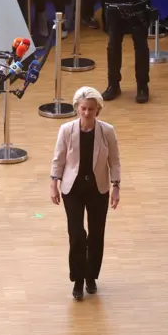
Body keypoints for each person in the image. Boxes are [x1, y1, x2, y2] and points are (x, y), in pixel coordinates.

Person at [50, 86, 121, 301]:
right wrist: (54, 183)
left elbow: (114, 161)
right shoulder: (66, 130)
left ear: (97, 110)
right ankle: (78, 279)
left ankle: (91, 277)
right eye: (83, 108)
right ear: (77, 109)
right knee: (77, 234)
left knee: (96, 234)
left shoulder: (107, 131)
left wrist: (116, 186)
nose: (87, 113)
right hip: (73, 189)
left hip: (98, 189)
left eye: (91, 109)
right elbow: (58, 159)